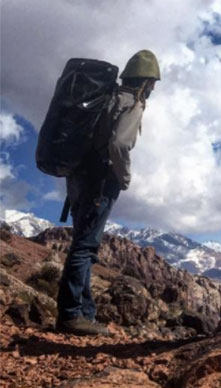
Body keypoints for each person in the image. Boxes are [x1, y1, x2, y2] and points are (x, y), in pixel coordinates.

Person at [56, 50, 160, 336]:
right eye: (152, 84)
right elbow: (119, 145)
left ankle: (84, 313)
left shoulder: (102, 98)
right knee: (85, 247)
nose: (152, 89)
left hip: (77, 177)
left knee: (83, 244)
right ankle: (71, 315)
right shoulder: (132, 104)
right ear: (145, 82)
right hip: (101, 181)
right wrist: (124, 177)